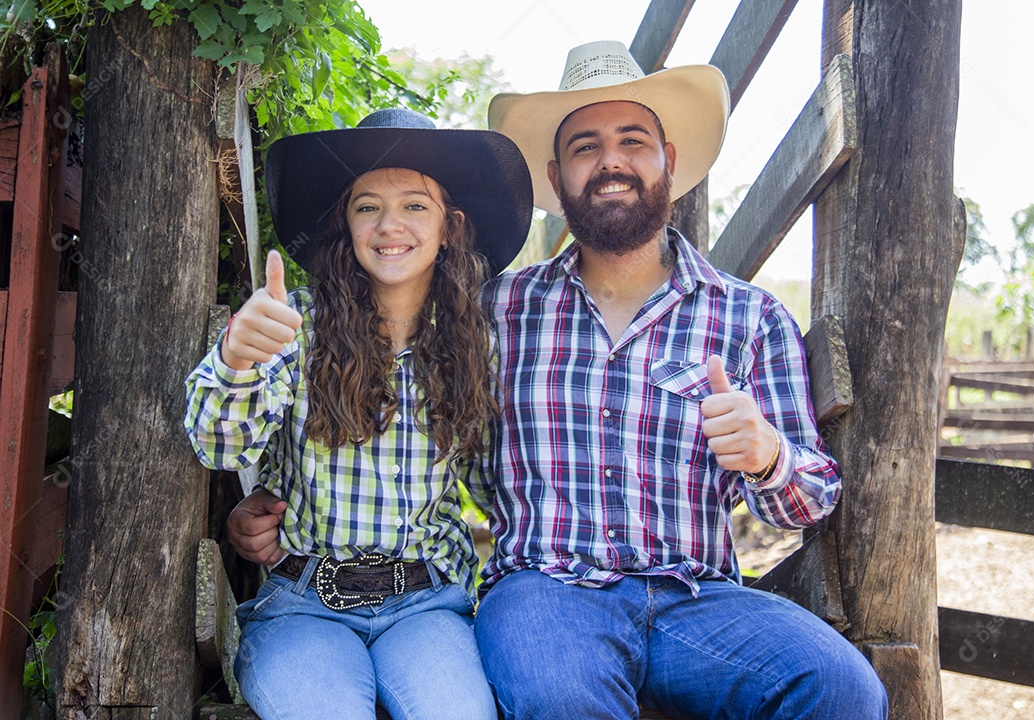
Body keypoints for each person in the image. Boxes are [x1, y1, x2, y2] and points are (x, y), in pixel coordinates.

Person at [230, 42, 889, 719]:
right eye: (585, 146)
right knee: (560, 695)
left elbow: (807, 503)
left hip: (699, 600)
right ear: (557, 174)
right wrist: (274, 496)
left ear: (667, 157)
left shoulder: (751, 318)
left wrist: (769, 456)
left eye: (632, 140)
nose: (610, 160)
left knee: (843, 688)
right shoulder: (493, 311)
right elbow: (402, 427)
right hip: (547, 591)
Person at [184, 107, 532, 720]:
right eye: (367, 205)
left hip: (428, 605)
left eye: (414, 206)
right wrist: (238, 359)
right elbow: (220, 446)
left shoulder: (478, 345)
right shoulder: (294, 326)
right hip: (302, 602)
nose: (389, 225)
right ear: (345, 224)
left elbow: (503, 485)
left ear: (450, 226)